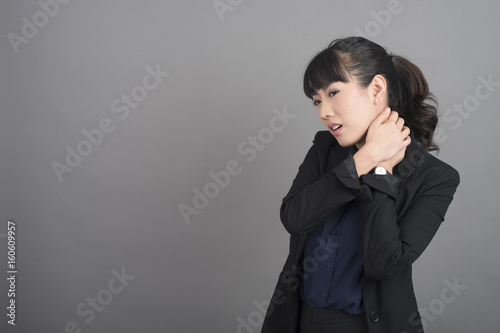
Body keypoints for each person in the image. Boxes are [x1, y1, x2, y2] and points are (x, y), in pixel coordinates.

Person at [261, 36, 460, 333]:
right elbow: (294, 218)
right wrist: (361, 161)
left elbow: (384, 264)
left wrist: (381, 171)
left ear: (377, 89)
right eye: (317, 100)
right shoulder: (324, 148)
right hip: (301, 322)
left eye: (333, 93)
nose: (323, 112)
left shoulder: (435, 177)